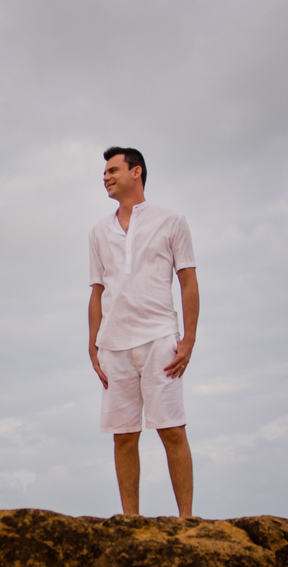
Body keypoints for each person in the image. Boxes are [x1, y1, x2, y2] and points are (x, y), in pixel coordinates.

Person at [88, 147, 199, 518]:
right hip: (114, 344)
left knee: (172, 429)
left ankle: (187, 521)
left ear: (136, 172)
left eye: (113, 170)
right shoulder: (98, 232)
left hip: (159, 338)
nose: (106, 177)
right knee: (123, 436)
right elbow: (97, 290)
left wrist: (188, 340)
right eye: (105, 172)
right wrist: (93, 344)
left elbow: (188, 281)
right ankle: (130, 521)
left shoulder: (171, 221)